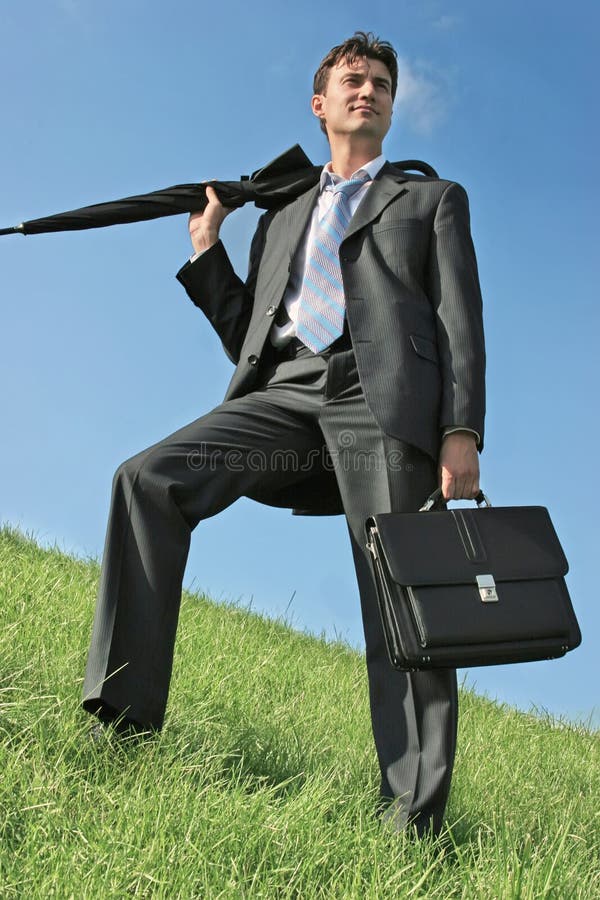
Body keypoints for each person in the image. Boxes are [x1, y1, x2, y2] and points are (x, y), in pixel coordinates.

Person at [82, 31, 485, 838]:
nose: (364, 90)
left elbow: (460, 322)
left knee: (400, 594)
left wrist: (461, 430)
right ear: (320, 101)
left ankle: (413, 821)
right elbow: (251, 336)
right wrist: (208, 253)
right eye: (350, 79)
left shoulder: (431, 200)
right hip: (287, 395)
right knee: (147, 478)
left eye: (378, 82)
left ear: (392, 104)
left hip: (384, 404)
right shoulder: (285, 213)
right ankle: (121, 721)